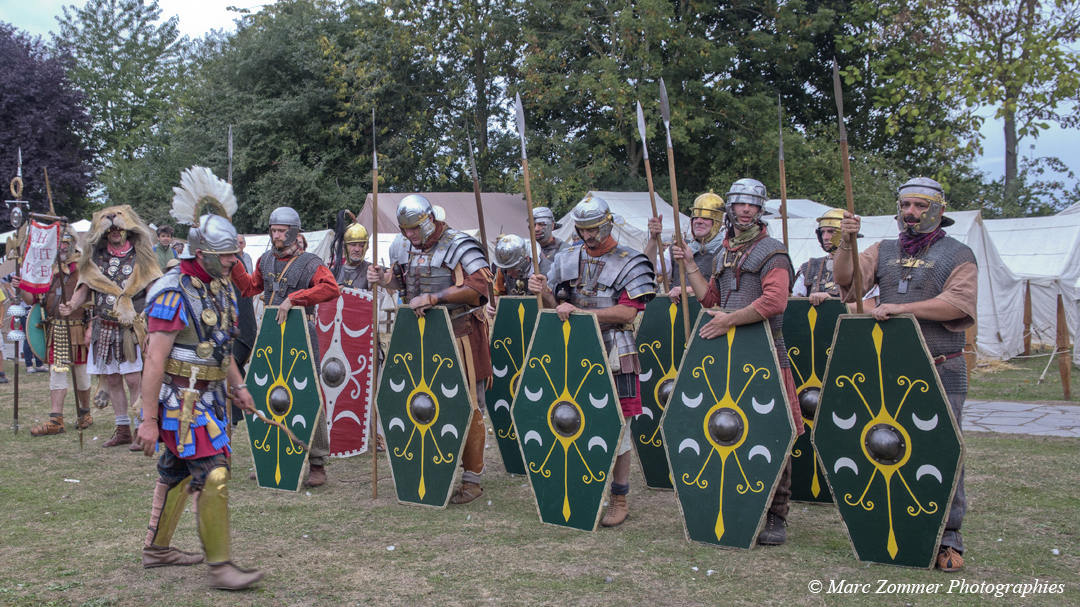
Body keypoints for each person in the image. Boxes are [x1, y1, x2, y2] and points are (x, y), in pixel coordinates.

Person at [833, 176, 976, 572]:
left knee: (943, 452)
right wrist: (847, 241)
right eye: (906, 205)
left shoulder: (958, 253)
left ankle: (949, 539)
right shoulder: (885, 249)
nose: (911, 213)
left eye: (920, 206)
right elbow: (847, 281)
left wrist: (902, 308)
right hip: (891, 370)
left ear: (939, 210)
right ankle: (890, 527)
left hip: (941, 366)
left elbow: (957, 303)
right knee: (885, 447)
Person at [137, 180, 263, 589]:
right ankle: (221, 567)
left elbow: (219, 348)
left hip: (209, 399)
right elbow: (154, 361)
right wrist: (148, 420)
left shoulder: (219, 287)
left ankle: (157, 550)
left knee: (175, 473)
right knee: (213, 475)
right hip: (181, 402)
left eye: (233, 254)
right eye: (226, 255)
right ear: (203, 252)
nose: (233, 261)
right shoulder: (171, 292)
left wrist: (238, 386)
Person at [672, 178, 801, 546]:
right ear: (730, 208)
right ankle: (737, 500)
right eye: (740, 204)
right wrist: (691, 264)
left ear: (762, 211)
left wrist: (729, 319)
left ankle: (777, 514)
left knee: (775, 429)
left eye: (753, 205)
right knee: (729, 428)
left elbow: (775, 302)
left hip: (765, 352)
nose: (746, 210)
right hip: (729, 356)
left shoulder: (772, 251)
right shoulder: (724, 251)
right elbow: (710, 298)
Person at [528, 196, 656, 527]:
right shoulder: (567, 256)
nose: (587, 236)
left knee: (620, 426)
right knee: (570, 417)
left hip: (616, 348)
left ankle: (619, 496)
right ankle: (575, 485)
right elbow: (558, 303)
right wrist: (542, 291)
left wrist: (582, 314)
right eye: (582, 230)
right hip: (574, 349)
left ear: (608, 224)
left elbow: (628, 311)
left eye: (593, 229)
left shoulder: (632, 260)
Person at [367, 194, 493, 504]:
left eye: (414, 228)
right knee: (426, 403)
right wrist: (382, 279)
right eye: (404, 229)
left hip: (461, 332)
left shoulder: (459, 244)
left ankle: (472, 480)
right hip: (423, 338)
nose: (409, 235)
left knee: (468, 404)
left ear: (430, 220)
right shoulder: (405, 246)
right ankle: (436, 466)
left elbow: (479, 288)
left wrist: (435, 299)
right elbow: (401, 281)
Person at [230, 207, 340, 487]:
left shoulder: (310, 262)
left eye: (281, 231)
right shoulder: (266, 259)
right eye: (274, 230)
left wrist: (296, 298)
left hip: (301, 333)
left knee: (307, 395)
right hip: (270, 334)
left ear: (293, 232)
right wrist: (232, 263)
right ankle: (271, 456)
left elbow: (330, 288)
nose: (276, 235)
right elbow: (249, 287)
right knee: (270, 393)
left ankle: (317, 463)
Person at [61, 206, 162, 449]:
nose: (116, 232)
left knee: (133, 379)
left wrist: (150, 311)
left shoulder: (141, 255)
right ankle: (123, 429)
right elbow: (86, 286)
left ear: (128, 230)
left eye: (120, 229)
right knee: (113, 379)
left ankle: (141, 429)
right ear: (105, 233)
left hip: (132, 327)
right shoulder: (95, 257)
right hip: (103, 324)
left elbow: (151, 288)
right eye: (112, 230)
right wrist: (72, 304)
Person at [19, 226, 92, 435]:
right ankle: (56, 419)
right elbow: (32, 300)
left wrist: (91, 328)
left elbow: (94, 300)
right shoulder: (48, 268)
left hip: (78, 328)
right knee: (56, 374)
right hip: (56, 329)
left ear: (72, 243)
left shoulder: (84, 266)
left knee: (81, 374)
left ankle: (85, 413)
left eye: (66, 242)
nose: (62, 246)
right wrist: (23, 284)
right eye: (59, 242)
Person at [793, 208, 878, 311]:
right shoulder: (809, 267)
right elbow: (794, 305)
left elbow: (869, 309)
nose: (825, 237)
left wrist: (833, 303)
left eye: (831, 231)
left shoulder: (865, 265)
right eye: (823, 232)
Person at [646, 191, 725, 298]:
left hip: (711, 312)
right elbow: (648, 269)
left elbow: (723, 289)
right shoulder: (679, 249)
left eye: (705, 218)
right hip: (679, 312)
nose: (699, 221)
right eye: (695, 218)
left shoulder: (725, 251)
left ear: (716, 223)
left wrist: (687, 290)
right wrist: (653, 239)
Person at [533, 207, 569, 275]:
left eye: (541, 224)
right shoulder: (527, 251)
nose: (536, 229)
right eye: (533, 225)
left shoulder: (566, 250)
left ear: (552, 225)